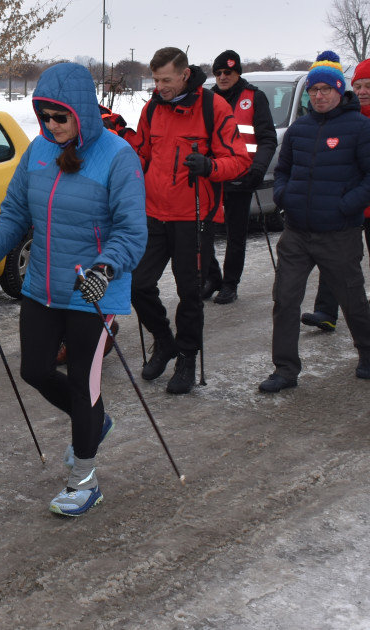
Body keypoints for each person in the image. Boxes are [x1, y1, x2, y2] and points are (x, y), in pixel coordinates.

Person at [0, 62, 146, 516]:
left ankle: (84, 480)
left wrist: (106, 269)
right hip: (42, 285)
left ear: (81, 113)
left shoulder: (117, 155)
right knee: (35, 371)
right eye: (43, 117)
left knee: (85, 384)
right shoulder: (39, 153)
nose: (50, 126)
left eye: (59, 117)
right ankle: (96, 423)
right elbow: (14, 214)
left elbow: (131, 230)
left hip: (92, 291)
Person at [259, 51, 370, 393]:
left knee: (351, 298)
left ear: (338, 91)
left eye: (325, 90)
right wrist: (284, 195)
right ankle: (285, 369)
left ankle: (369, 348)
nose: (319, 95)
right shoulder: (300, 129)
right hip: (297, 232)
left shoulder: (359, 126)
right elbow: (283, 169)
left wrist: (348, 205)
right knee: (285, 300)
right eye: (313, 90)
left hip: (339, 231)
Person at [130, 47, 251, 394]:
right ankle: (164, 341)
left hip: (193, 216)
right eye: (155, 80)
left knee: (190, 294)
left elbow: (240, 160)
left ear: (184, 75)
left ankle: (186, 358)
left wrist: (211, 167)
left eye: (165, 79)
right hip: (154, 213)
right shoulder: (152, 108)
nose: (160, 86)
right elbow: (142, 155)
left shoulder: (214, 107)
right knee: (137, 284)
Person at [302, 57, 370, 330]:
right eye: (358, 85)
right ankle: (326, 311)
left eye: (369, 86)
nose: (363, 91)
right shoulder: (343, 110)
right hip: (345, 198)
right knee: (335, 255)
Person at [201, 49, 278, 305]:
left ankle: (230, 284)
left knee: (235, 236)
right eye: (219, 72)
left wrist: (258, 169)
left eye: (228, 72)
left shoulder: (254, 98)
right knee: (204, 233)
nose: (223, 77)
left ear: (238, 73)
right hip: (212, 175)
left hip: (243, 176)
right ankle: (212, 277)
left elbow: (268, 139)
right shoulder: (207, 99)